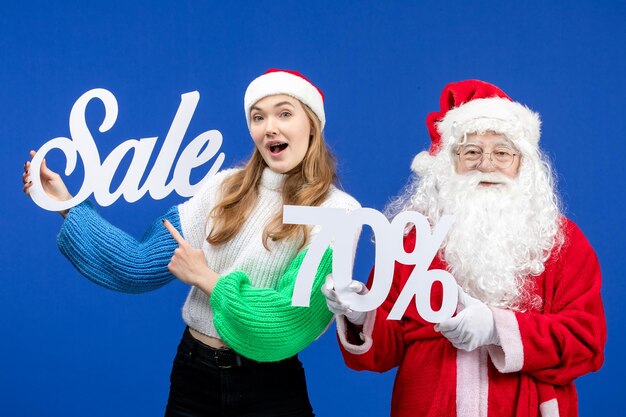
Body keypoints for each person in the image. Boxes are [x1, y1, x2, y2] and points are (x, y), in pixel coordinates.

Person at [23, 68, 360, 417]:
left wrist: (207, 279)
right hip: (193, 377)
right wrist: (67, 204)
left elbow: (285, 323)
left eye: (284, 113)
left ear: (312, 125)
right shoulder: (223, 188)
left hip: (270, 390)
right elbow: (137, 265)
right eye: (258, 117)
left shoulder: (339, 213)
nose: (269, 127)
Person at [322, 80, 606, 417]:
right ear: (447, 162)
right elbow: (385, 350)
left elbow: (586, 342)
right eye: (471, 152)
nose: (487, 165)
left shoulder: (561, 240)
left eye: (502, 152)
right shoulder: (413, 239)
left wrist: (497, 329)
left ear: (523, 163)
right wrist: (360, 314)